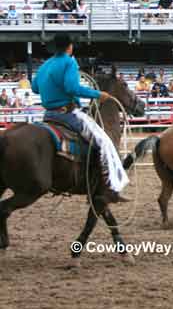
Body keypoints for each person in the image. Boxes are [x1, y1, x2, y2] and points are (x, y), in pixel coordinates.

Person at [31, 34, 127, 202]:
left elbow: (35, 88)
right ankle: (108, 186)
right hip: (68, 114)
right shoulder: (69, 62)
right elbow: (72, 87)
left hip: (49, 115)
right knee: (104, 142)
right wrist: (98, 94)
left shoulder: (45, 65)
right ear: (70, 47)